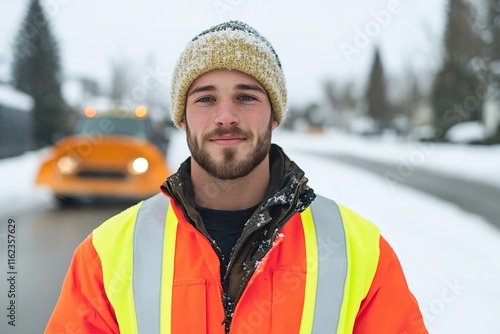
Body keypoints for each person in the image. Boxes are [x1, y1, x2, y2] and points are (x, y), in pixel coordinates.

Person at [45, 21, 428, 333]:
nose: (225, 116)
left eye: (246, 97)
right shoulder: (105, 255)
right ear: (182, 118)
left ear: (274, 115)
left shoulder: (360, 253)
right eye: (205, 99)